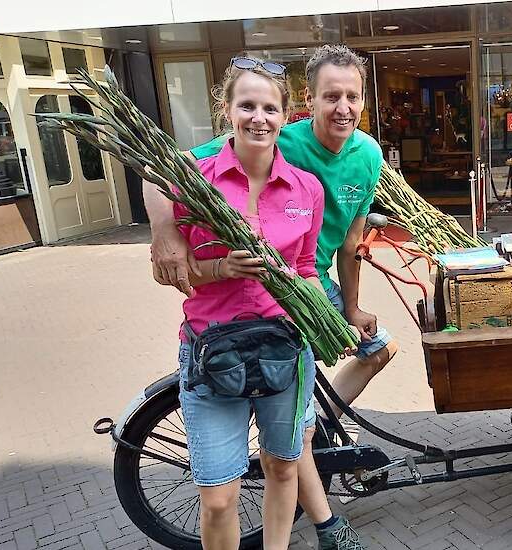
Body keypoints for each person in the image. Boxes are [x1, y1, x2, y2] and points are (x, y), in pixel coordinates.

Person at [171, 56, 363, 549]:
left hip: (283, 349)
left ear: (284, 115)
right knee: (217, 498)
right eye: (247, 106)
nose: (259, 118)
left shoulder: (307, 189)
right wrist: (220, 269)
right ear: (227, 111)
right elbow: (168, 269)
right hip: (213, 351)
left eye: (269, 108)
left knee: (282, 467)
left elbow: (304, 269)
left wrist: (322, 314)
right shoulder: (197, 180)